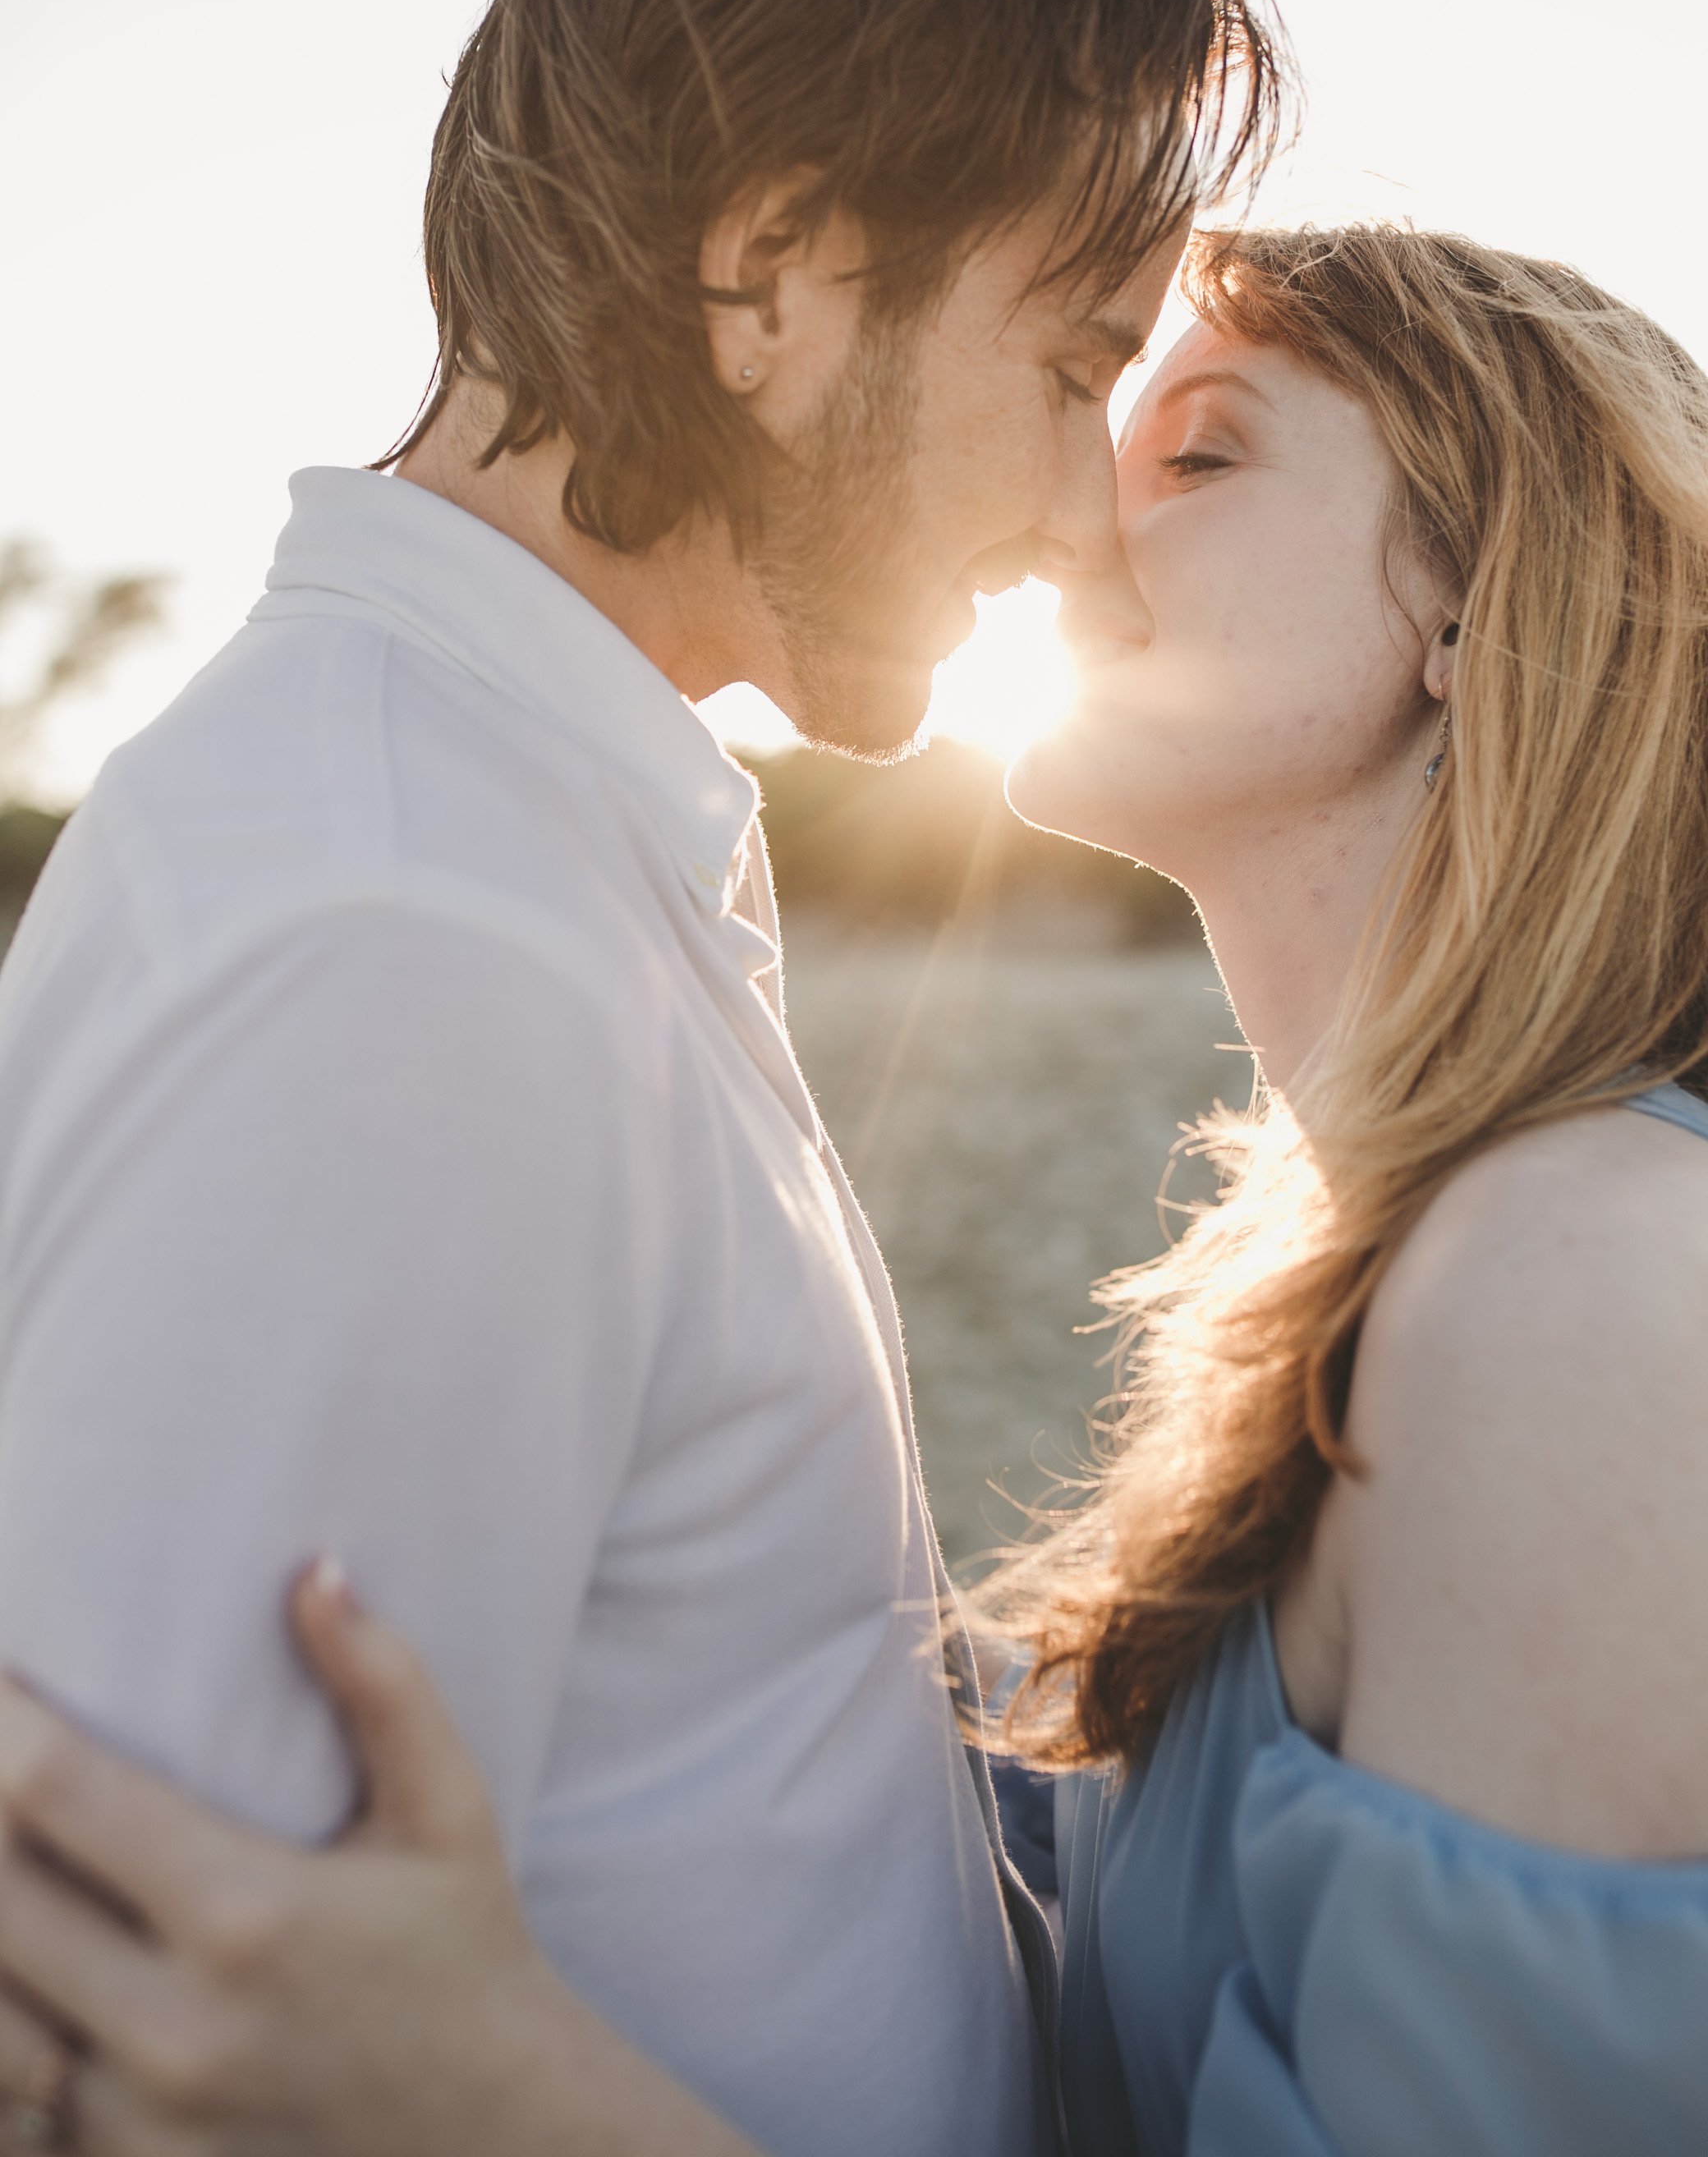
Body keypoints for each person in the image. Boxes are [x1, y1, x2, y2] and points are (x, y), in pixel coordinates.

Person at [1, 223, 1706, 2157]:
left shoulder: (1578, 1287)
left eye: (1198, 452)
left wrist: (491, 2096)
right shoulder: (1382, 1272)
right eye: (1083, 403)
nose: (1070, 522)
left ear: (1482, 604)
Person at [0, 0, 1283, 2157]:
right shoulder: (413, 947)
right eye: (1071, 363)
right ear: (774, 277)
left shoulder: (502, 828)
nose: (1080, 517)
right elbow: (151, 2067)